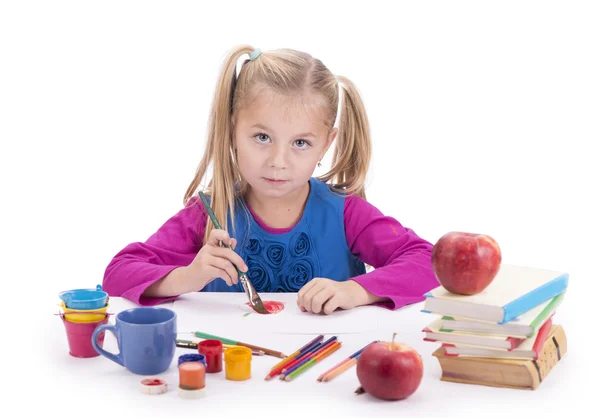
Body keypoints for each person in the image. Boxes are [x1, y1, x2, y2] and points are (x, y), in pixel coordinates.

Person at [102, 45, 438, 315]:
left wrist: (354, 290)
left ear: (326, 143)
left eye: (300, 143)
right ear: (233, 130)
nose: (278, 162)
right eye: (262, 137)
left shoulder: (347, 214)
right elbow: (118, 272)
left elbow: (429, 262)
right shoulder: (209, 212)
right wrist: (188, 276)